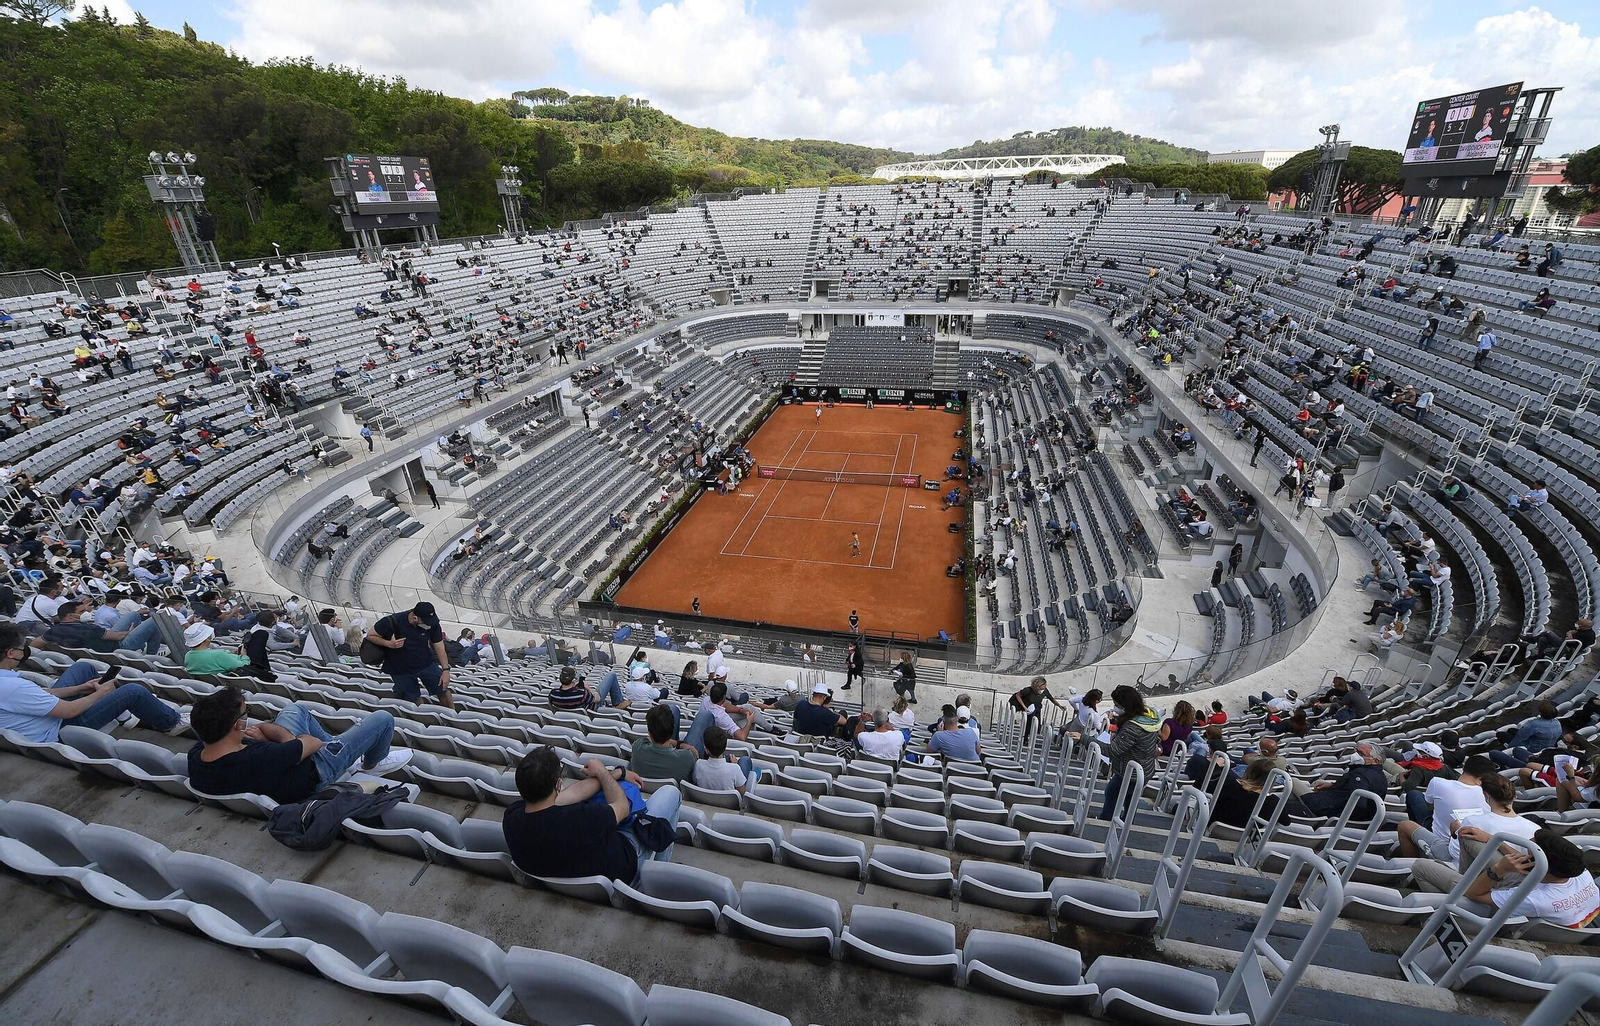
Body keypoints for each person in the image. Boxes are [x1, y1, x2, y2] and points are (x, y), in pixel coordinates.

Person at [186, 686, 410, 803]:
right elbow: (311, 743)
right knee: (383, 719)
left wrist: (273, 741)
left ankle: (343, 749)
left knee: (295, 709)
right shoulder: (261, 756)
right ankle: (369, 764)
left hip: (286, 762)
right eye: (247, 713)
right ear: (239, 724)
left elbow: (273, 744)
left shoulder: (197, 756)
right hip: (318, 770)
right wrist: (287, 742)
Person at [503, 747, 682, 884]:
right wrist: (603, 772)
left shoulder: (512, 818)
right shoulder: (582, 818)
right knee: (671, 793)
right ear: (559, 785)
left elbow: (572, 794)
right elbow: (621, 807)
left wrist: (619, 773)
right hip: (624, 865)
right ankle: (658, 875)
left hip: (570, 878)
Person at [0, 624, 188, 738]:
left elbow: (37, 695)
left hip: (46, 717)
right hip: (58, 728)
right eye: (21, 647)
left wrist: (79, 689)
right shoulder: (14, 687)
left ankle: (122, 715)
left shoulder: (10, 683)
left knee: (83, 668)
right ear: (10, 653)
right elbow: (69, 711)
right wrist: (100, 693)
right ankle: (171, 723)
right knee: (133, 691)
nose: (24, 649)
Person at [1409, 774, 1541, 892]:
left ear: (1486, 796)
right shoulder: (1535, 828)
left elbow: (1455, 855)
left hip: (1480, 883)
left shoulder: (1473, 822)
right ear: (1515, 796)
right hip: (1519, 887)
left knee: (1419, 862)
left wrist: (1454, 832)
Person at [1397, 754, 1494, 860]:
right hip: (1471, 842)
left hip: (1445, 842)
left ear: (1465, 766)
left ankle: (1414, 846)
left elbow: (1430, 806)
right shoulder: (1489, 796)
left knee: (1413, 795)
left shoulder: (1437, 782)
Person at [367, 602, 454, 709]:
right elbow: (370, 635)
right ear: (415, 618)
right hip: (400, 669)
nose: (429, 624)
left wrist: (446, 670)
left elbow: (439, 646)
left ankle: (452, 715)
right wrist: (388, 644)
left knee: (443, 690)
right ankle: (424, 717)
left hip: (426, 663)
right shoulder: (392, 621)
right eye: (426, 622)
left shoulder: (432, 623)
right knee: (412, 699)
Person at [1102, 685, 1160, 818]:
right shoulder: (1149, 717)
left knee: (1112, 794)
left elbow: (1112, 750)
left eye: (1117, 704)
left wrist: (1083, 738)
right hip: (1145, 769)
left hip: (1130, 772)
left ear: (1126, 705)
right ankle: (1127, 822)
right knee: (1130, 799)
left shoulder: (1133, 727)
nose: (1115, 707)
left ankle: (1105, 823)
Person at [1298, 742, 1388, 818]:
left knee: (1292, 782)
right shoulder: (1382, 777)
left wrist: (1337, 819)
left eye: (1361, 754)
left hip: (1325, 809)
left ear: (1376, 761)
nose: (1355, 755)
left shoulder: (1360, 775)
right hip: (1332, 806)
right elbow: (1350, 792)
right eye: (1356, 751)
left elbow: (1360, 805)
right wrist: (1332, 786)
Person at [1488, 701, 1569, 768]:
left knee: (1500, 734)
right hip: (1547, 745)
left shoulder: (1534, 724)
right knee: (1511, 730)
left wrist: (1510, 748)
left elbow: (1520, 737)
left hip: (1532, 748)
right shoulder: (1557, 723)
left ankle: (1504, 752)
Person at [629, 704, 697, 783]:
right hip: (677, 793)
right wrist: (680, 744)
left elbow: (648, 738)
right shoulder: (687, 757)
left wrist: (678, 744)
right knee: (704, 715)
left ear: (650, 734)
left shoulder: (637, 747)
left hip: (644, 791)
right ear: (672, 732)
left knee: (673, 708)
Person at [692, 725, 761, 793]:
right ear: (725, 747)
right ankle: (754, 775)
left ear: (706, 750)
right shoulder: (734, 768)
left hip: (706, 799)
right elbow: (742, 792)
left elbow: (695, 780)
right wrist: (735, 765)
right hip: (730, 803)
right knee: (745, 760)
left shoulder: (698, 764)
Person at [182, 623, 256, 677]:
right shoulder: (218, 655)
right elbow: (243, 666)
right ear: (206, 639)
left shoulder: (188, 655)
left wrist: (229, 655)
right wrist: (244, 656)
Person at [1010, 676, 1066, 745]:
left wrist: (1059, 706)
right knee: (1029, 723)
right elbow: (1018, 695)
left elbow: (1052, 699)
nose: (1043, 689)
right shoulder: (1028, 690)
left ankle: (1031, 737)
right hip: (1029, 707)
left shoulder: (1045, 691)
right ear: (1037, 686)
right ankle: (1025, 738)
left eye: (1044, 686)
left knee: (1037, 724)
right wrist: (1024, 707)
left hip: (1037, 707)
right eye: (1041, 687)